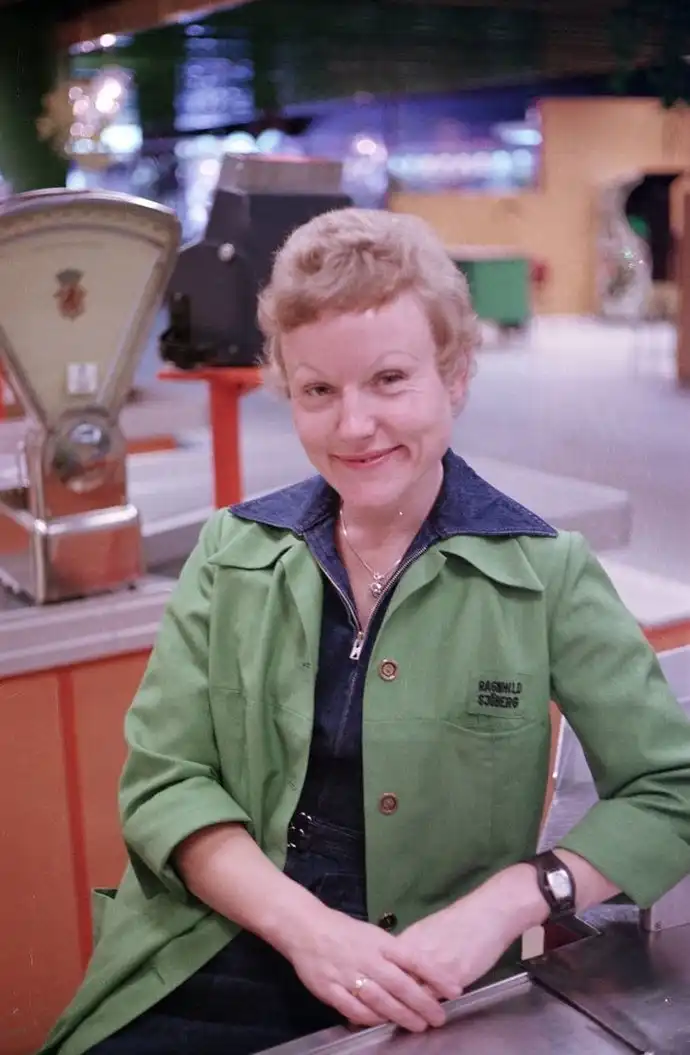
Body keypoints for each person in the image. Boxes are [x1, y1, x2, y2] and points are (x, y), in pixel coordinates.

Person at [42, 208, 690, 1055]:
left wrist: (512, 899)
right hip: (210, 950)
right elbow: (166, 783)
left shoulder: (545, 574)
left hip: (424, 979)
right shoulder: (232, 553)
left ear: (455, 375)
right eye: (319, 390)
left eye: (389, 379)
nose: (354, 425)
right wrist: (308, 930)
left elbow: (669, 788)